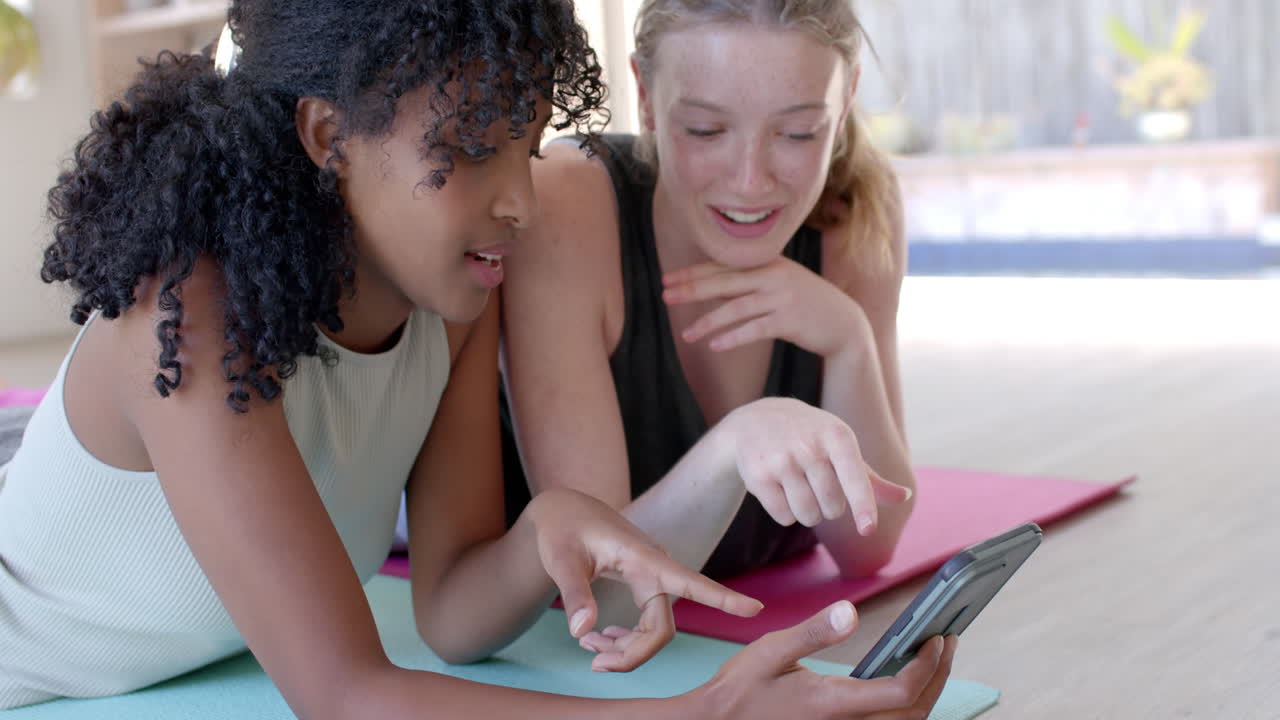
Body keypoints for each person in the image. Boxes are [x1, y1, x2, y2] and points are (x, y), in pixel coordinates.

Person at [0, 1, 956, 718]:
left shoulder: (455, 303)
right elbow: (346, 693)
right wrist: (700, 712)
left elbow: (453, 615)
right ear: (329, 135)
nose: (522, 205)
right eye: (468, 152)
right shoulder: (188, 312)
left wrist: (550, 526)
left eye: (528, 149)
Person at [500, 0, 918, 636]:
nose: (751, 181)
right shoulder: (567, 206)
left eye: (798, 133)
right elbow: (606, 594)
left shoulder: (855, 211)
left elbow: (869, 548)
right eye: (704, 130)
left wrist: (849, 341)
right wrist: (733, 444)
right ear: (644, 93)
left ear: (848, 94)